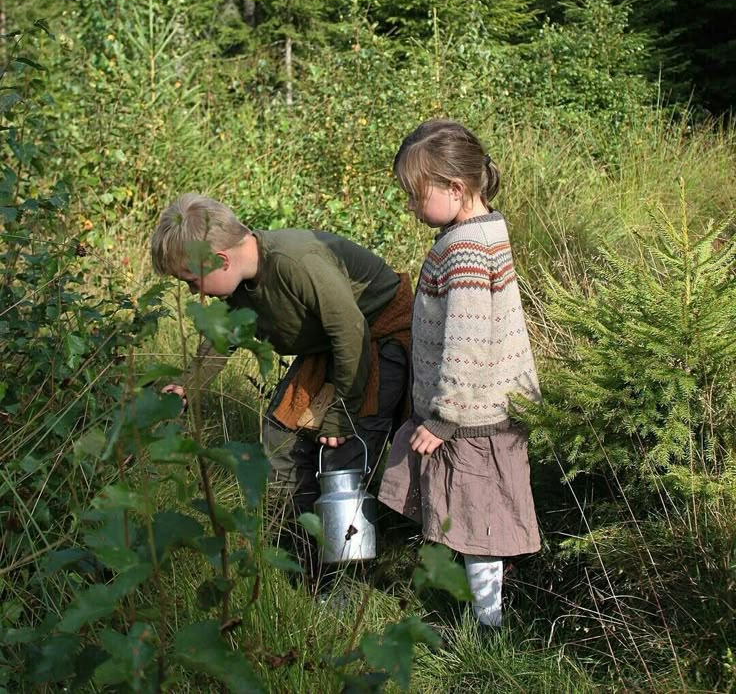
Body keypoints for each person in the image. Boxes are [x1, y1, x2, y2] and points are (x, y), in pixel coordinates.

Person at [150, 194, 411, 527]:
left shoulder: (296, 261)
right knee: (279, 437)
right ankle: (295, 541)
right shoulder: (239, 285)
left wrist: (341, 414)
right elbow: (224, 334)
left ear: (219, 261)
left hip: (377, 340)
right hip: (328, 348)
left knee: (342, 454)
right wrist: (186, 385)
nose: (192, 293)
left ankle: (343, 566)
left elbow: (350, 329)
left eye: (191, 282)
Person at [378, 120, 541, 628]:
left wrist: (443, 417)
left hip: (474, 413)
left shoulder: (465, 249)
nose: (410, 206)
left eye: (414, 195)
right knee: (475, 514)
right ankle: (479, 605)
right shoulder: (482, 228)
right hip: (482, 404)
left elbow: (469, 343)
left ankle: (489, 625)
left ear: (455, 187)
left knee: (480, 521)